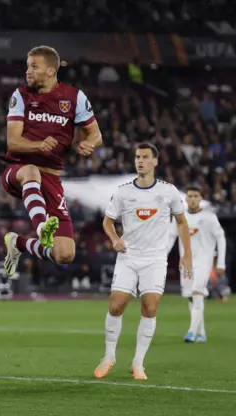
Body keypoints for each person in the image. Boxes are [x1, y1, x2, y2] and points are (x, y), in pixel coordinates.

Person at [94, 143, 193, 381]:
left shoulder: (169, 192)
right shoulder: (123, 191)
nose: (140, 161)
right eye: (137, 157)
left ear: (155, 161)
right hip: (128, 256)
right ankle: (109, 357)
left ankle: (138, 363)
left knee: (150, 307)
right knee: (116, 305)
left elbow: (182, 222)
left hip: (155, 258)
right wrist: (115, 239)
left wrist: (186, 254)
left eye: (145, 157)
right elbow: (107, 221)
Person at [2, 45, 102, 277]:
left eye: (34, 67)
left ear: (50, 70)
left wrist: (90, 143)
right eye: (28, 66)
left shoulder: (74, 97)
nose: (28, 71)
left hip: (52, 178)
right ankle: (41, 228)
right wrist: (38, 144)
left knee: (65, 254)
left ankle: (18, 244)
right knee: (31, 172)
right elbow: (13, 142)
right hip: (17, 170)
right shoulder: (21, 95)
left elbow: (96, 133)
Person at [167, 185, 226, 343]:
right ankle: (201, 333)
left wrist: (220, 262)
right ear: (186, 199)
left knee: (196, 292)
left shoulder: (209, 217)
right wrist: (162, 256)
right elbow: (171, 237)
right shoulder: (179, 217)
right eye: (190, 196)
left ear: (201, 199)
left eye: (195, 196)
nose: (192, 199)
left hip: (203, 261)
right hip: (186, 263)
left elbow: (221, 237)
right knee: (190, 297)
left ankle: (191, 332)